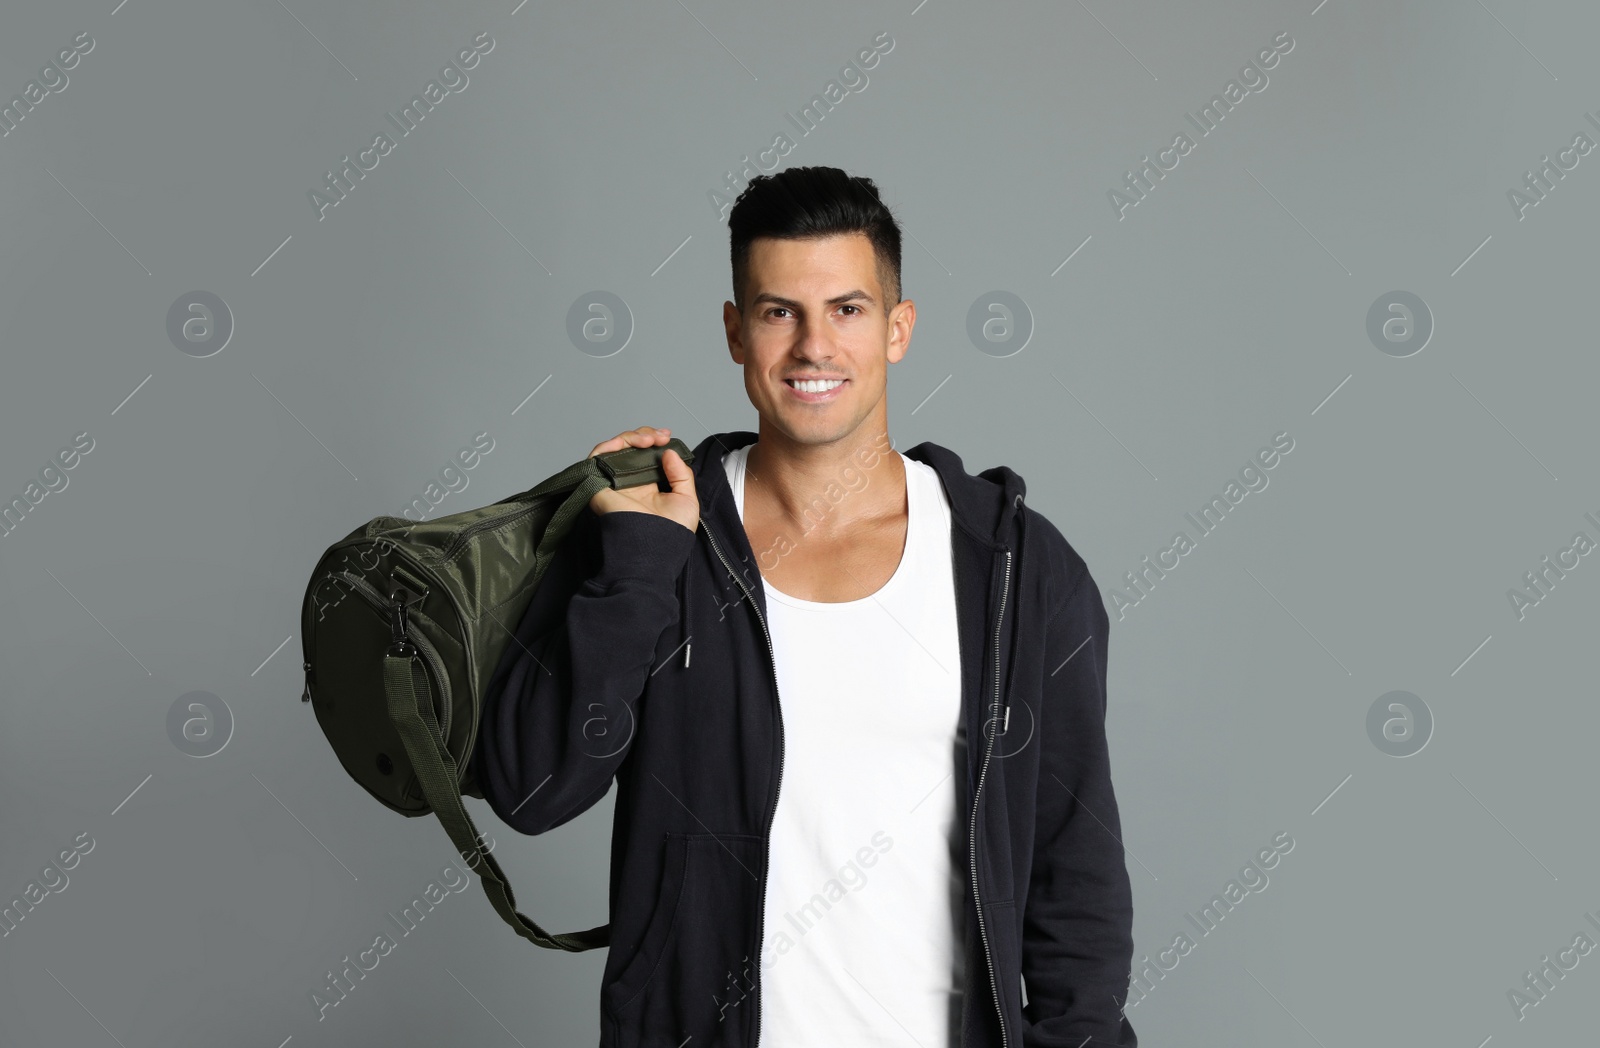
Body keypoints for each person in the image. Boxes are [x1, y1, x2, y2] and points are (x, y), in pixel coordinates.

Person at [472, 166, 1136, 1048]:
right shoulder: (664, 536)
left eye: (848, 310)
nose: (813, 346)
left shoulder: (1014, 567)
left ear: (899, 329)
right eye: (779, 311)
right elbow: (533, 789)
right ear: (735, 332)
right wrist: (634, 568)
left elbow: (1076, 871)